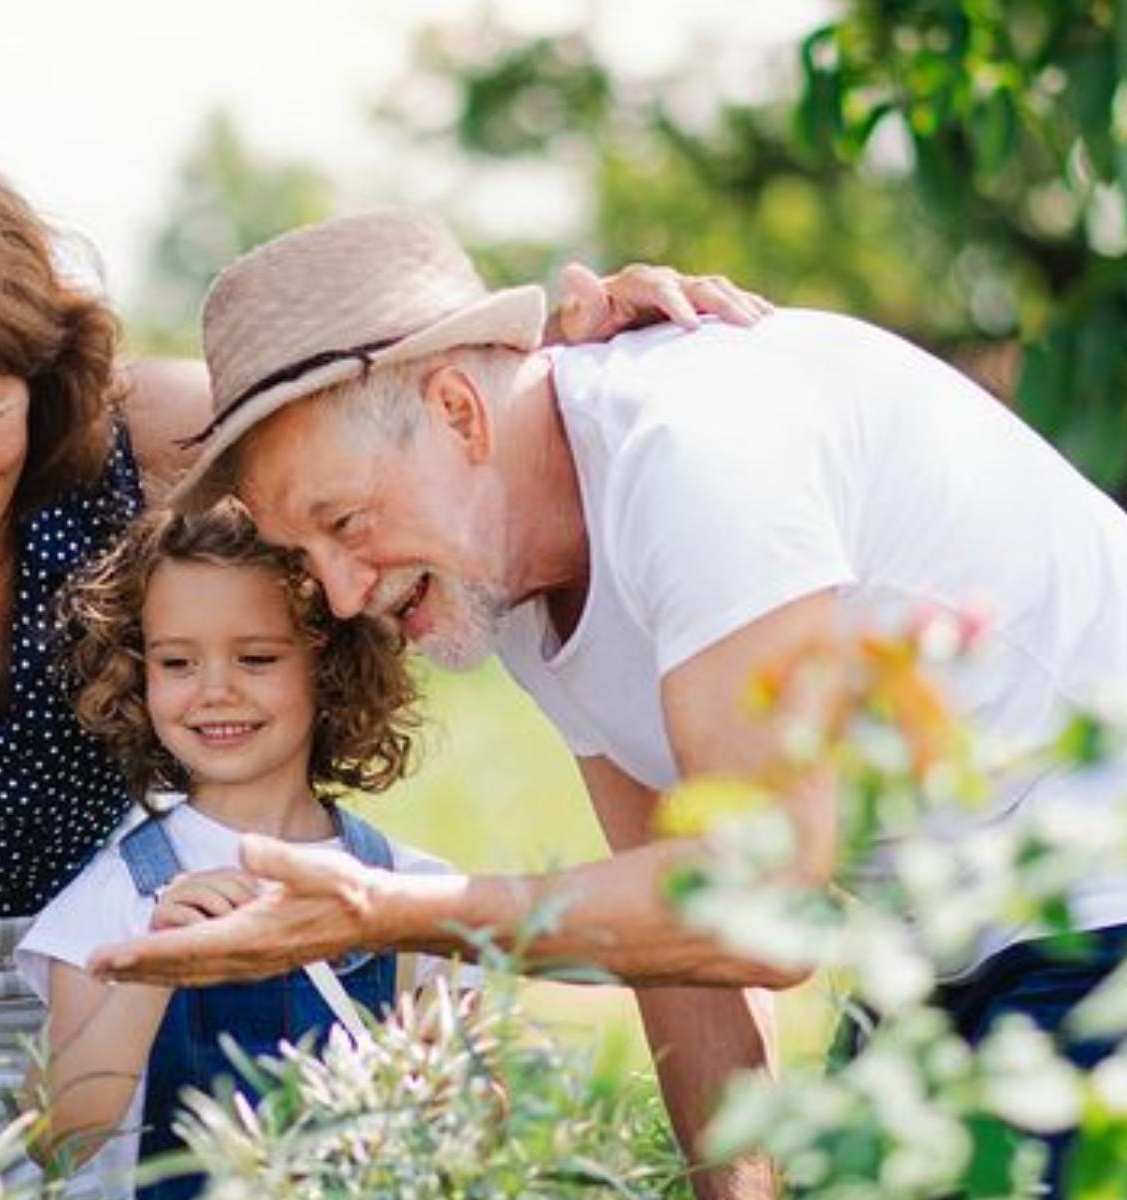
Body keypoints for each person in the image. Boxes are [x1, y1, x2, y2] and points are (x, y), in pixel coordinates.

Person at [0, 153, 755, 1131]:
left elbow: (360, 413)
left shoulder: (134, 437)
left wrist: (558, 370)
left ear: (37, 388)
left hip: (93, 967)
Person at [92, 209, 1127, 1197]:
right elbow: (676, 947)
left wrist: (393, 913)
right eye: (308, 559)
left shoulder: (691, 454)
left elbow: (760, 909)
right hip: (958, 940)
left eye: (346, 523)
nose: (348, 592)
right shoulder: (506, 576)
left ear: (458, 412)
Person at [15, 500, 466, 1198]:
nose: (215, 691)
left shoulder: (409, 888)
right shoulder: (119, 896)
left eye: (256, 657)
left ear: (331, 665)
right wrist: (155, 967)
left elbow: (471, 1132)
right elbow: (55, 1140)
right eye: (176, 661)